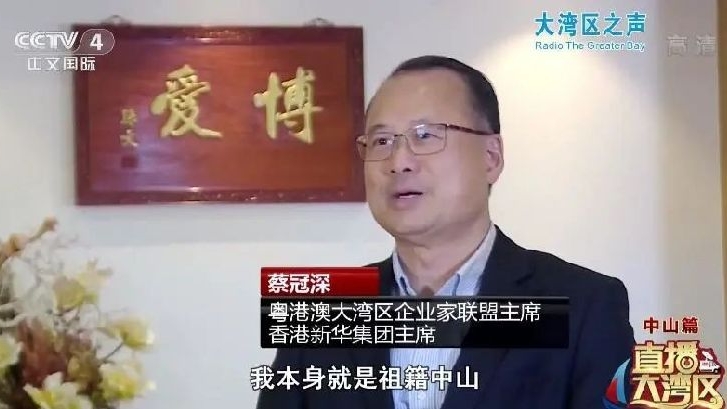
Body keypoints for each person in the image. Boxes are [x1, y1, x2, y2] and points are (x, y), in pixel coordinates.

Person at [256, 55, 635, 409]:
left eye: (425, 135)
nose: (399, 162)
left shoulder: (584, 305)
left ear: (491, 158)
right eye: (382, 141)